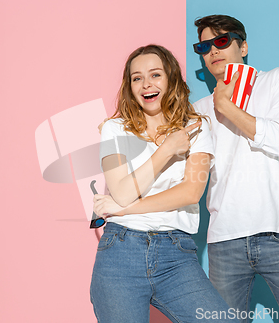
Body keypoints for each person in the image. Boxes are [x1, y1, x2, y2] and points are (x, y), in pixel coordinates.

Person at [191, 15, 279, 323]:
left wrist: (225, 107)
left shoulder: (277, 80)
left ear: (244, 46)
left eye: (222, 41)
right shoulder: (199, 110)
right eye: (204, 46)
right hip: (225, 241)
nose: (213, 50)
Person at [90, 45, 237, 323]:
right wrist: (168, 148)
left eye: (155, 75)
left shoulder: (196, 127)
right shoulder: (114, 129)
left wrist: (125, 210)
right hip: (121, 252)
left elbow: (190, 193)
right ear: (130, 86)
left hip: (176, 254)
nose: (146, 84)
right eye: (137, 78)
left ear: (170, 79)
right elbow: (121, 192)